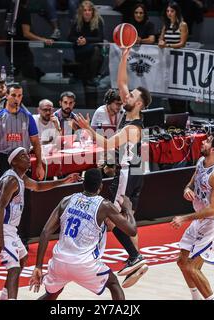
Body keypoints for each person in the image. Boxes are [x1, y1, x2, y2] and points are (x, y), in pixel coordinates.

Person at [75, 47, 152, 288]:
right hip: (135, 171)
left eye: (130, 97)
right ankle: (135, 260)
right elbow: (121, 81)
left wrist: (88, 129)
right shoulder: (130, 114)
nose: (125, 97)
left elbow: (107, 143)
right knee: (122, 217)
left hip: (128, 172)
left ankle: (135, 256)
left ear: (138, 103)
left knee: (113, 217)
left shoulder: (132, 128)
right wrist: (125, 55)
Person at [0, 146, 80, 300]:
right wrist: (0, 237)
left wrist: (65, 180)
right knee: (13, 267)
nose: (28, 158)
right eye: (23, 156)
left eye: (27, 155)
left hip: (7, 226)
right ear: (14, 162)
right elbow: (0, 207)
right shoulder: (11, 180)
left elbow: (38, 186)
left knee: (22, 258)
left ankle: (4, 296)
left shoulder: (21, 178)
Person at [29, 168, 138, 300]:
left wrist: (38, 266)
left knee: (52, 294)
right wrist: (128, 208)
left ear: (83, 184)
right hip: (84, 264)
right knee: (114, 284)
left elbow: (46, 232)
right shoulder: (104, 205)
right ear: (101, 186)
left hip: (60, 262)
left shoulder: (66, 200)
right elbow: (132, 230)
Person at [170, 131, 214, 300]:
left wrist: (183, 218)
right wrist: (187, 189)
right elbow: (193, 179)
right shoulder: (201, 162)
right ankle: (196, 297)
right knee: (182, 262)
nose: (203, 142)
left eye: (208, 141)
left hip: (213, 222)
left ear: (213, 149)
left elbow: (212, 209)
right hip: (200, 218)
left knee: (192, 267)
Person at [0, 84, 45, 181]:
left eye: (19, 96)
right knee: (4, 193)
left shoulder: (28, 117)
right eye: (13, 95)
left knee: (25, 193)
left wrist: (39, 165)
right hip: (4, 159)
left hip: (24, 159)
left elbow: (36, 142)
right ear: (6, 96)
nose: (17, 99)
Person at [8, 0, 54, 81]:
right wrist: (44, 40)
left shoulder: (11, 10)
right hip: (20, 49)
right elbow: (26, 33)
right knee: (29, 76)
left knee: (18, 74)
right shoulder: (23, 12)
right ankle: (33, 92)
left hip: (11, 48)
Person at [68, 1, 104, 86]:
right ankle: (80, 75)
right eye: (85, 10)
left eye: (89, 10)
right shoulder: (77, 21)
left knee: (95, 50)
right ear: (81, 12)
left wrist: (86, 40)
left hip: (93, 49)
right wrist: (78, 39)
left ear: (93, 11)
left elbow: (100, 38)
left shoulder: (98, 21)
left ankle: (92, 77)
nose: (87, 12)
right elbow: (70, 37)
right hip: (80, 49)